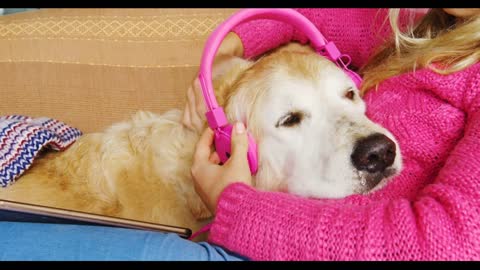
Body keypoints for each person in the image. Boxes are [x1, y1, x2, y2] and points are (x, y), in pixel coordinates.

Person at [1, 8, 479, 261]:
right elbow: (309, 15)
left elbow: (449, 246)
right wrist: (228, 52)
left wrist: (234, 203)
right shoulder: (424, 29)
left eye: (349, 97)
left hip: (276, 237)